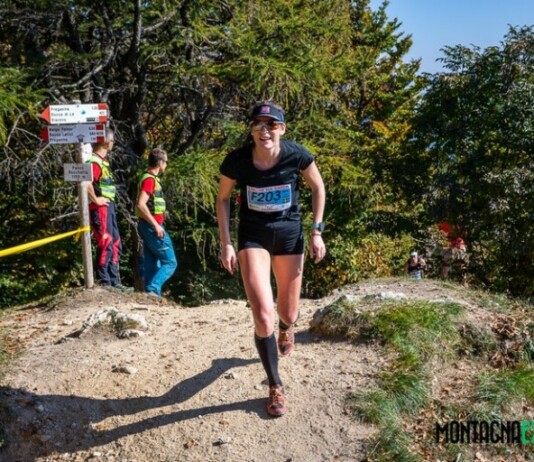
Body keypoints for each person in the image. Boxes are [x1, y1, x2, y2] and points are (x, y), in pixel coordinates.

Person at [216, 101, 326, 417]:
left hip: (290, 236)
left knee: (287, 312)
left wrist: (317, 231)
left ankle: (286, 327)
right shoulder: (237, 161)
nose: (265, 130)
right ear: (251, 130)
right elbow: (223, 198)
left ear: (282, 128)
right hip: (253, 236)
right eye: (258, 124)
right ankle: (275, 385)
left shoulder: (297, 155)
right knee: (263, 315)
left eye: (272, 124)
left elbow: (318, 188)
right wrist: (226, 243)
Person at [86, 127, 131, 291]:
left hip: (108, 206)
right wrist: (96, 199)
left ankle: (114, 281)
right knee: (106, 241)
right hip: (100, 208)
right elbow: (86, 183)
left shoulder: (102, 162)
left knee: (115, 242)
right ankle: (104, 281)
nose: (113, 144)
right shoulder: (94, 162)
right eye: (112, 141)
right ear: (106, 142)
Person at [136, 148, 177, 299]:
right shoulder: (149, 179)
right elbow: (141, 204)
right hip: (152, 227)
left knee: (151, 261)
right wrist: (155, 225)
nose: (166, 165)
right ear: (159, 163)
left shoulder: (150, 178)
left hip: (147, 225)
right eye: (166, 162)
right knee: (170, 262)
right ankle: (153, 288)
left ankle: (151, 295)